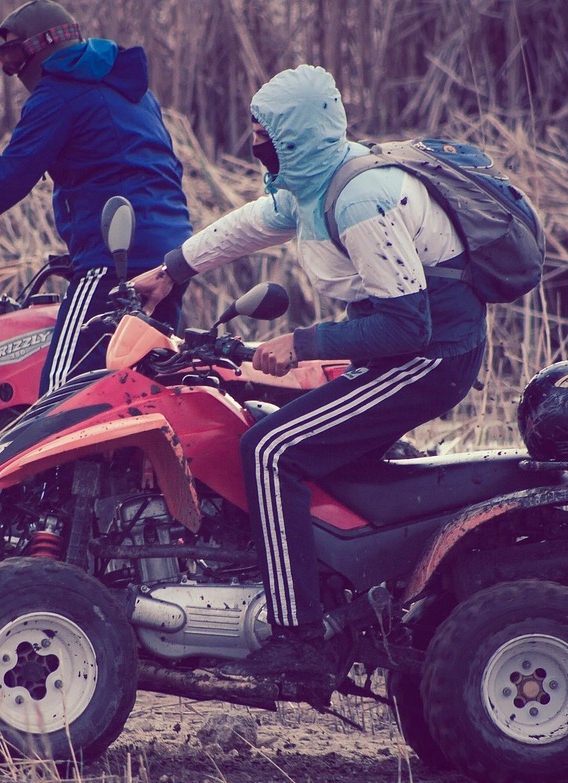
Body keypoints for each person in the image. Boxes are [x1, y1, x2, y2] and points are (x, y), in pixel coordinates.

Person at [131, 65, 487, 699]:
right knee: (269, 423)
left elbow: (407, 326)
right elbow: (247, 225)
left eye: (261, 130)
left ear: (293, 135)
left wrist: (302, 342)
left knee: (270, 453)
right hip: (402, 351)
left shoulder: (358, 198)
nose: (253, 141)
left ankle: (301, 642)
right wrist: (170, 271)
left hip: (429, 358)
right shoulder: (314, 184)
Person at [0, 0, 193, 394]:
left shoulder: (59, 93)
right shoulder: (130, 88)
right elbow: (158, 167)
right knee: (140, 384)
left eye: (12, 56)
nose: (11, 71)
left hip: (115, 259)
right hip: (174, 254)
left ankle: (63, 460)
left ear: (39, 49)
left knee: (62, 392)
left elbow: (10, 177)